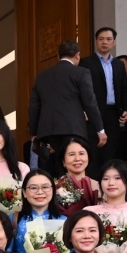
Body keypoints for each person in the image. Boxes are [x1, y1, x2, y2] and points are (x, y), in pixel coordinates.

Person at [28, 41, 106, 176]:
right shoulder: (81, 73)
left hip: (49, 130)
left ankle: (63, 193)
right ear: (78, 55)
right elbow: (90, 103)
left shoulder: (41, 77)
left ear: (58, 56)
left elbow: (34, 106)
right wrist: (100, 129)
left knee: (60, 161)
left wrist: (34, 132)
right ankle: (73, 194)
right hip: (73, 127)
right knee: (76, 163)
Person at [79, 28, 127, 170]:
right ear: (96, 42)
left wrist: (126, 109)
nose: (104, 42)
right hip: (93, 114)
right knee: (93, 151)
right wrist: (83, 110)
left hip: (113, 114)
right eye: (101, 39)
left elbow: (124, 89)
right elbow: (80, 90)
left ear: (114, 42)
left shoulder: (119, 65)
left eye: (108, 39)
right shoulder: (86, 63)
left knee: (110, 152)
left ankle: (107, 183)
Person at [56, 138, 100, 216]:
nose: (77, 159)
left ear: (88, 158)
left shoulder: (98, 186)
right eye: (72, 154)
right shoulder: (55, 187)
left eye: (81, 153)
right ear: (63, 161)